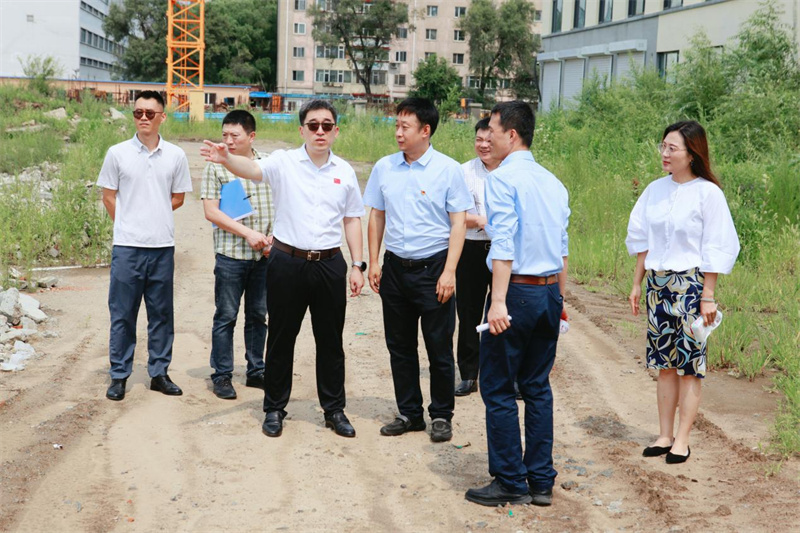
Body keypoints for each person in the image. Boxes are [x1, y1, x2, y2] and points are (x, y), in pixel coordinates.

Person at [201, 99, 365, 439]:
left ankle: (334, 410)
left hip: (329, 264)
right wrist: (226, 158)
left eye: (327, 125)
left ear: (336, 131)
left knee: (330, 341)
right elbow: (251, 169)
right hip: (288, 262)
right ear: (302, 129)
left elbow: (352, 219)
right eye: (313, 125)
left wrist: (357, 264)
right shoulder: (284, 162)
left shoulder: (345, 171)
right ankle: (274, 408)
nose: (320, 131)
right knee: (280, 338)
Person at [465, 101, 569, 507]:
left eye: (492, 130)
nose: (487, 137)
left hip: (517, 292)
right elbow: (562, 248)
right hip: (548, 291)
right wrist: (561, 299)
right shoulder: (553, 182)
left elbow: (504, 242)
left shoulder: (502, 179)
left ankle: (510, 479)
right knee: (537, 386)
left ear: (511, 134)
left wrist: (498, 302)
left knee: (497, 386)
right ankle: (541, 480)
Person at [626, 121, 739, 464]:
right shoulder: (654, 190)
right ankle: (664, 434)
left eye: (671, 148)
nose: (664, 153)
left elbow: (716, 246)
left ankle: (683, 439)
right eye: (662, 146)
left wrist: (708, 295)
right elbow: (642, 239)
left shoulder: (708, 193)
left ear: (692, 154)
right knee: (663, 364)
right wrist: (637, 282)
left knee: (690, 365)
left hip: (691, 287)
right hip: (658, 286)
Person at [363, 97, 473, 443]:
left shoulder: (448, 170)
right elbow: (376, 215)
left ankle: (441, 415)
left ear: (425, 131)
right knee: (400, 346)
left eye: (405, 127)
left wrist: (450, 271)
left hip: (434, 268)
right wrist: (374, 260)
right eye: (396, 125)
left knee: (439, 347)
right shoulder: (385, 167)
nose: (398, 132)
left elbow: (458, 224)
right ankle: (410, 413)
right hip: (395, 268)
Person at [97, 90, 193, 401]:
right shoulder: (117, 153)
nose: (143, 118)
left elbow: (178, 197)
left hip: (162, 246)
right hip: (127, 247)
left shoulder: (176, 155)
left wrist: (153, 215)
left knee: (161, 313)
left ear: (162, 117)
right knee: (123, 313)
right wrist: (128, 222)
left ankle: (159, 373)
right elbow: (108, 196)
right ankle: (119, 375)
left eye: (150, 113)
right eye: (138, 112)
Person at [200, 110, 274, 400]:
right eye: (225, 135)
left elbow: (284, 202)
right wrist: (248, 234)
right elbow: (211, 212)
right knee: (226, 316)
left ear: (251, 136)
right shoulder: (216, 166)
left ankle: (256, 370)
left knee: (258, 315)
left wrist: (273, 238)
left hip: (265, 256)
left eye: (235, 135)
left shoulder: (268, 164)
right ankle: (222, 375)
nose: (228, 141)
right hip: (231, 255)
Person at [454, 118, 500, 397]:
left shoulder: (510, 172)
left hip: (501, 251)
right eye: (478, 140)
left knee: (502, 311)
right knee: (468, 312)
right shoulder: (462, 172)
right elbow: (456, 215)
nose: (483, 145)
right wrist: (482, 221)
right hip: (470, 249)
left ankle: (501, 373)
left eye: (489, 140)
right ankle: (468, 374)